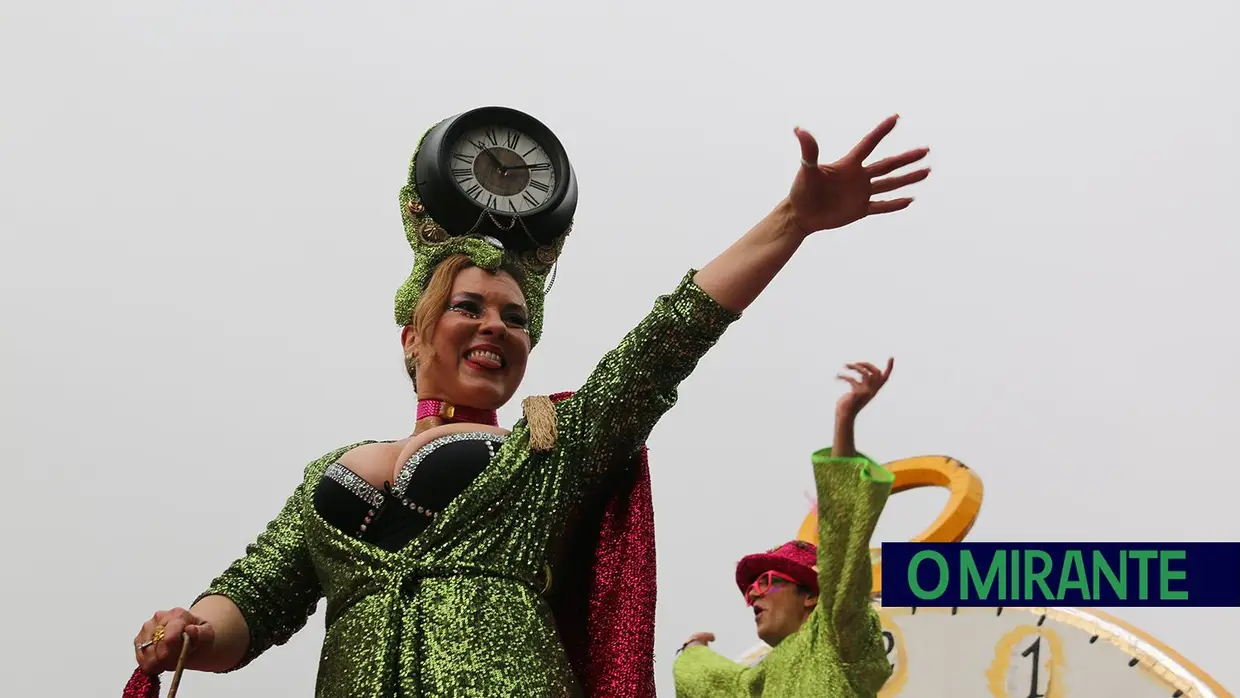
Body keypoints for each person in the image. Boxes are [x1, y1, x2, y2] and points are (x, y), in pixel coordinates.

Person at [124, 113, 929, 698]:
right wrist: (192, 629)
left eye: (516, 318)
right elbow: (255, 601)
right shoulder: (325, 475)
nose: (495, 327)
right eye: (469, 307)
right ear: (413, 334)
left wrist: (791, 221)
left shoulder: (547, 447)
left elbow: (667, 339)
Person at [673, 359, 897, 698]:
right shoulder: (760, 679)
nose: (754, 596)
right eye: (750, 591)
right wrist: (691, 651)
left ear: (811, 595)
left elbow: (842, 539)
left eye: (765, 583)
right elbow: (717, 683)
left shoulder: (840, 636)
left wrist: (844, 419)